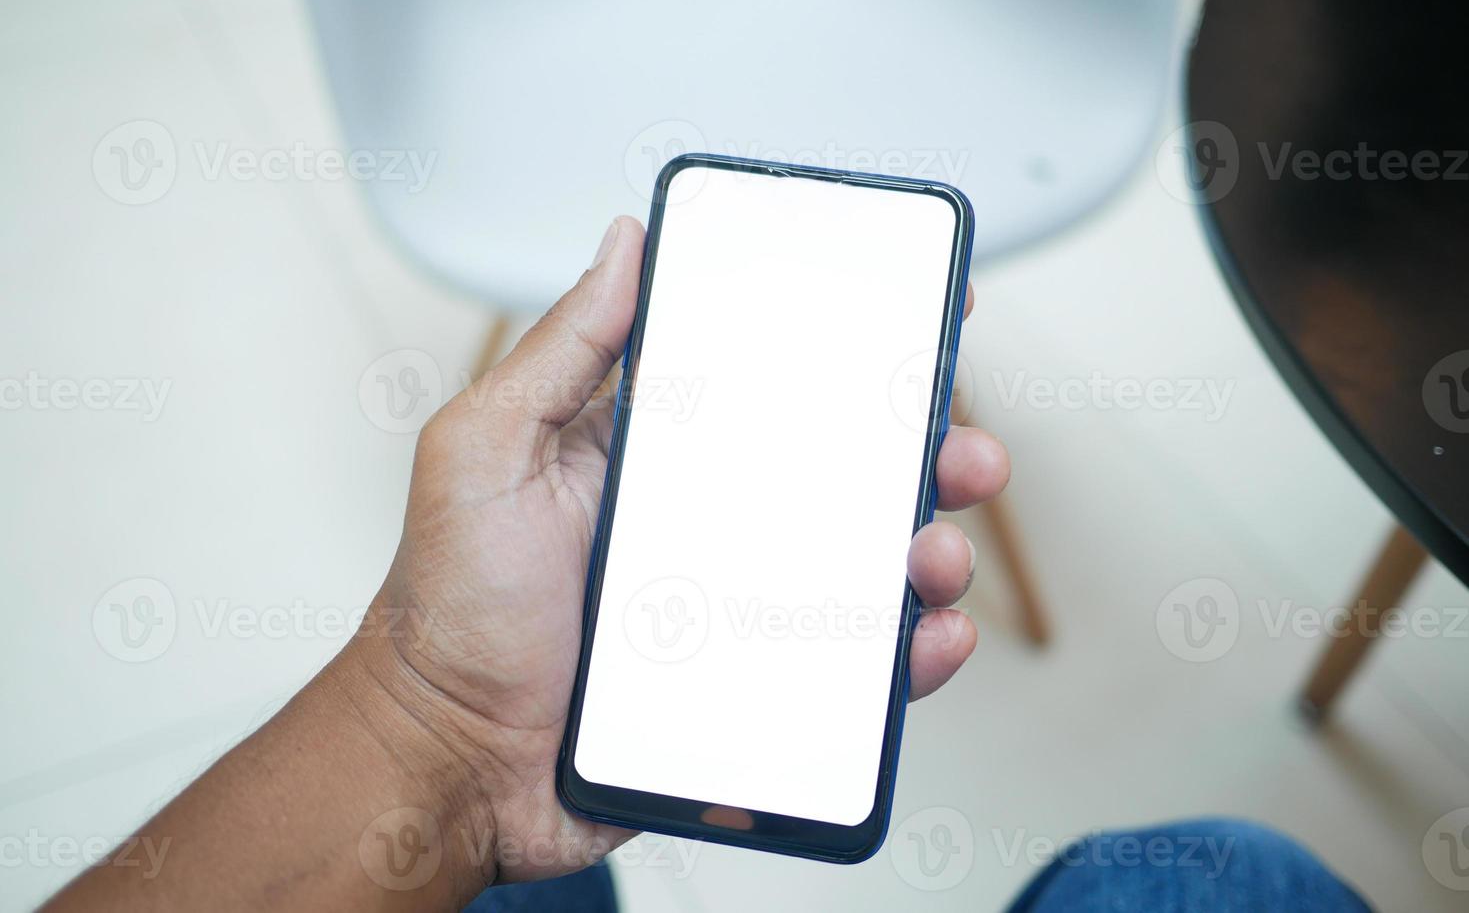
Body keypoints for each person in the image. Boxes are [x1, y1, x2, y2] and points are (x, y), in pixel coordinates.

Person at [43, 218, 1369, 912]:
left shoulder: (481, 742)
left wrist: (436, 730)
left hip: (461, 795)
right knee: (1233, 885)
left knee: (553, 883)